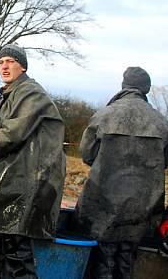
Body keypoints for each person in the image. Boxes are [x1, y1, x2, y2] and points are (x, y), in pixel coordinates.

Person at [0, 44, 66, 279]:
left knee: (15, 250)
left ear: (23, 66)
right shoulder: (11, 93)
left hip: (26, 183)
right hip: (10, 179)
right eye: (1, 62)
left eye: (10, 61)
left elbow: (12, 132)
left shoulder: (31, 93)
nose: (4, 66)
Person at [71, 67, 168, 279]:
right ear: (146, 89)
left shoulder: (104, 114)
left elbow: (87, 154)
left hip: (103, 204)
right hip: (143, 207)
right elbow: (165, 162)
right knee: (127, 260)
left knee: (103, 259)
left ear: (124, 85)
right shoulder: (162, 122)